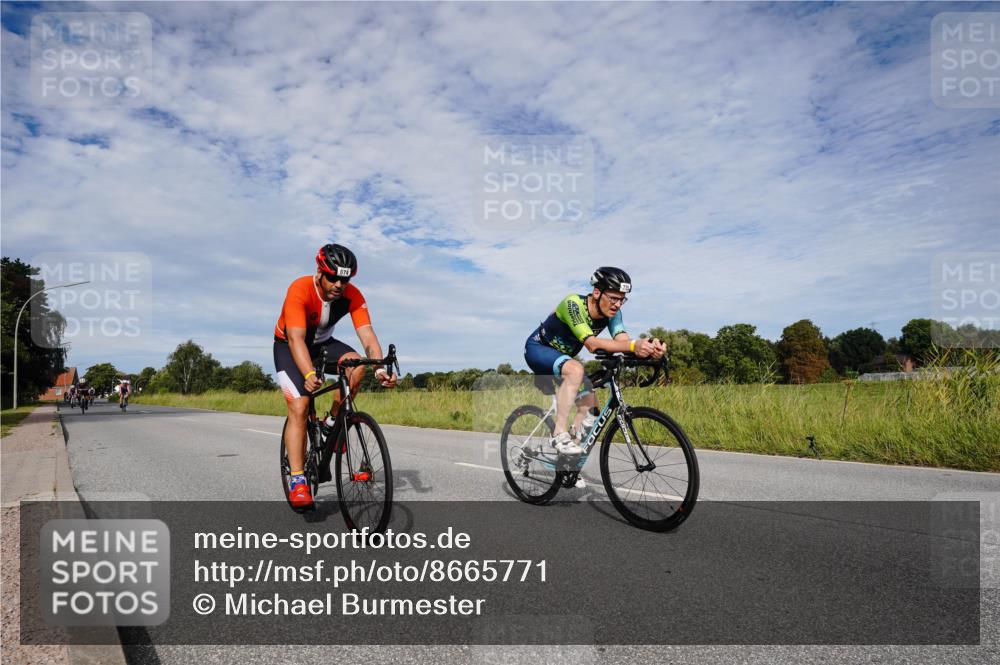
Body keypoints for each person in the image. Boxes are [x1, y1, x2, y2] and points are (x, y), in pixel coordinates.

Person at [274, 243, 397, 509]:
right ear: (320, 272)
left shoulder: (353, 295)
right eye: (333, 278)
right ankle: (298, 479)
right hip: (288, 346)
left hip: (323, 345)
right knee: (300, 406)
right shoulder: (299, 288)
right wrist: (308, 373)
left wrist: (379, 368)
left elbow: (367, 335)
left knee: (357, 365)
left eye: (345, 279)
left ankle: (332, 422)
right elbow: (296, 339)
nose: (339, 285)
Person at [524, 267, 665, 455]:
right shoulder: (573, 304)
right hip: (538, 350)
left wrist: (650, 348)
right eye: (613, 298)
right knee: (576, 369)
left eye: (622, 299)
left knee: (591, 411)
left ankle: (568, 461)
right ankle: (559, 434)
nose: (617, 305)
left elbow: (623, 342)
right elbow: (591, 344)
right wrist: (633, 346)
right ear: (597, 292)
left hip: (565, 359)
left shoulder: (612, 314)